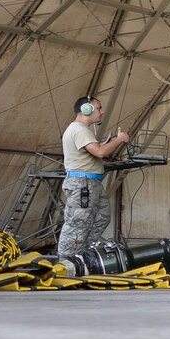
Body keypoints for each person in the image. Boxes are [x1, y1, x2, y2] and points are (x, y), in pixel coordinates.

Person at [58, 96, 129, 256]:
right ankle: (66, 261)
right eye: (98, 108)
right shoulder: (79, 129)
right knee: (77, 224)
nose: (101, 112)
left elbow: (95, 148)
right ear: (86, 109)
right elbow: (100, 152)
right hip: (82, 184)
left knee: (102, 217)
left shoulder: (81, 130)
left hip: (91, 183)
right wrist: (119, 140)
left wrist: (107, 142)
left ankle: (83, 253)